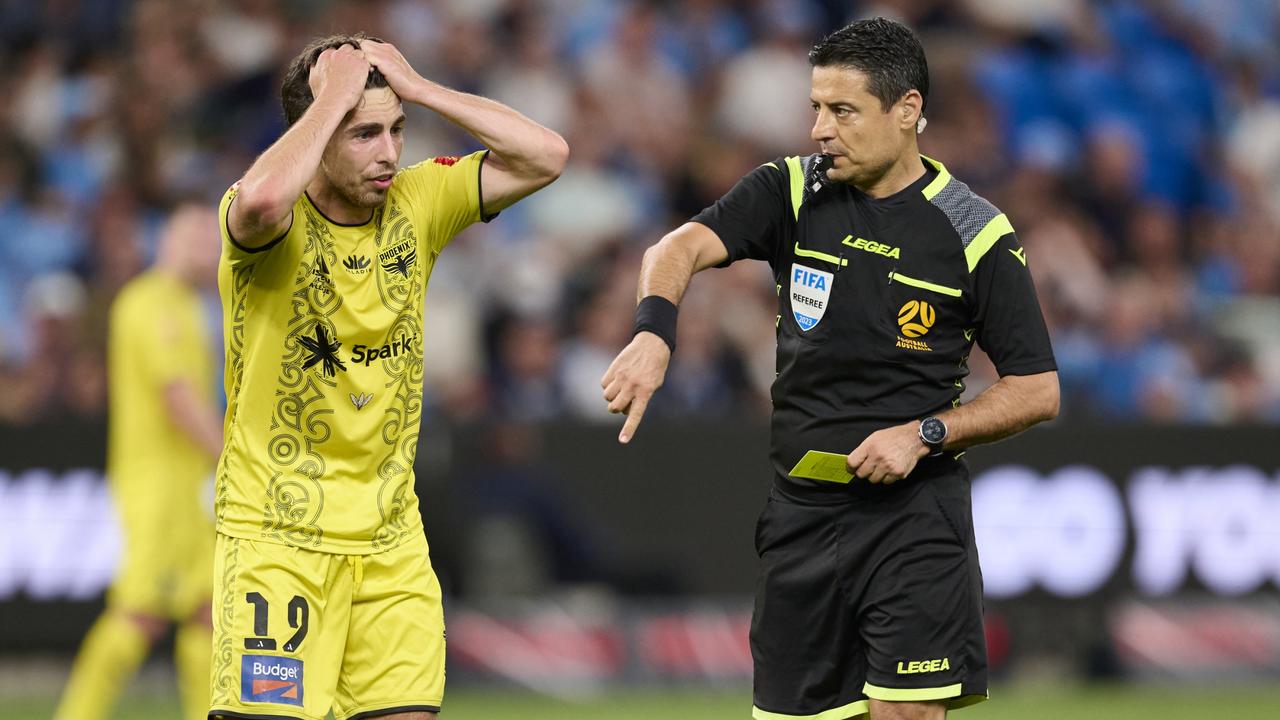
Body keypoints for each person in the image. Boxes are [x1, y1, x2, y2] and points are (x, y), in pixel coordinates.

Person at [602, 17, 1058, 720]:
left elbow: (1037, 389)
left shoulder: (975, 234)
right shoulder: (789, 191)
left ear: (906, 110)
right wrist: (654, 331)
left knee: (906, 712)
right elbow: (676, 247)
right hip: (800, 517)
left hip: (913, 520)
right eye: (816, 107)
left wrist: (925, 433)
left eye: (842, 111)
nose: (820, 128)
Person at [209, 33, 566, 720]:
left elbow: (546, 155)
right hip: (278, 541)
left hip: (390, 542)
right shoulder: (267, 224)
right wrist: (333, 95)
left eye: (397, 130)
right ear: (314, 134)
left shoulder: (418, 200)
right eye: (363, 133)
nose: (389, 153)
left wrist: (421, 85)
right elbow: (258, 203)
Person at [55, 204, 224, 720]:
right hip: (156, 487)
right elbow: (177, 398)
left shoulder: (188, 306)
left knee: (208, 614)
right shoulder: (149, 304)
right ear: (168, 243)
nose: (212, 246)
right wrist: (231, 456)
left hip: (191, 487)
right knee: (140, 614)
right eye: (199, 236)